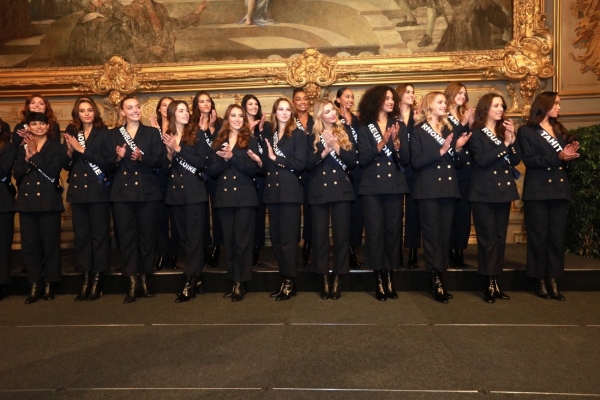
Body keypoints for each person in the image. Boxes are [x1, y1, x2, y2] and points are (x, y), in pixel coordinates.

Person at [517, 92, 579, 301]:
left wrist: (570, 156)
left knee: (556, 238)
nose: (559, 107)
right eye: (556, 103)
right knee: (539, 238)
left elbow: (566, 160)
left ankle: (553, 279)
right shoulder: (527, 131)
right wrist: (558, 156)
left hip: (559, 191)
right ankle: (539, 280)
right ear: (545, 105)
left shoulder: (560, 130)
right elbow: (530, 160)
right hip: (538, 191)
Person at [411, 92, 471, 303]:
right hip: (428, 190)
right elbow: (416, 162)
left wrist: (458, 149)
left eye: (445, 102)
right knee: (431, 236)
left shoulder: (449, 129)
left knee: (444, 236)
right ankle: (434, 278)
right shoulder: (418, 131)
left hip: (448, 188)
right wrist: (442, 150)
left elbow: (458, 163)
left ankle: (440, 275)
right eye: (440, 102)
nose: (444, 105)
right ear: (429, 105)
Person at [107, 95, 165, 304]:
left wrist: (143, 157)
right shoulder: (113, 135)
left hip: (147, 193)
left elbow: (159, 161)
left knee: (147, 238)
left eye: (137, 107)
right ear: (122, 112)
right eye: (129, 108)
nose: (134, 111)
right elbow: (106, 165)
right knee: (127, 239)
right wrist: (118, 158)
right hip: (122, 194)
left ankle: (145, 279)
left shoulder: (151, 133)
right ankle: (131, 281)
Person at [357, 85, 410, 301]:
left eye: (392, 98)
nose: (390, 101)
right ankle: (378, 278)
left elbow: (405, 159)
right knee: (375, 232)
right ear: (376, 101)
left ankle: (389, 276)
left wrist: (395, 142)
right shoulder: (364, 127)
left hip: (395, 186)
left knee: (393, 232)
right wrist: (382, 142)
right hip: (372, 187)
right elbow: (364, 159)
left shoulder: (400, 125)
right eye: (386, 98)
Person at [469, 93, 520, 303]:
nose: (500, 109)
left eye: (502, 106)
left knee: (499, 239)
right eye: (496, 105)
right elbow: (482, 160)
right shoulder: (476, 134)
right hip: (483, 193)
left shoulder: (502, 132)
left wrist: (512, 140)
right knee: (487, 239)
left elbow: (516, 160)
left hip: (503, 193)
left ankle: (496, 281)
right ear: (485, 109)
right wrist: (505, 145)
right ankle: (487, 282)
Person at [62, 97, 112, 301]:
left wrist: (82, 149)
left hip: (98, 190)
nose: (86, 114)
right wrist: (69, 150)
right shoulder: (72, 133)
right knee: (81, 237)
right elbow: (66, 165)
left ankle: (98, 279)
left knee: (99, 236)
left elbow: (107, 162)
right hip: (79, 192)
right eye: (82, 111)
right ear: (77, 114)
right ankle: (85, 277)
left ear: (95, 112)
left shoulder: (104, 133)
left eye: (90, 110)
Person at [209, 104, 261, 302]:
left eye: (240, 115)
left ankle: (242, 281)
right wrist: (224, 160)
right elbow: (212, 171)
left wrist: (232, 158)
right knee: (229, 242)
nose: (238, 119)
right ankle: (233, 278)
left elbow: (253, 169)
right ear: (227, 119)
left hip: (245, 197)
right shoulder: (218, 141)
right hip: (224, 198)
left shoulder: (251, 141)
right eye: (234, 115)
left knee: (242, 242)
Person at [306, 99, 357, 299]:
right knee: (320, 237)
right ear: (320, 115)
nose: (332, 114)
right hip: (319, 190)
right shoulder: (310, 135)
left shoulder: (346, 131)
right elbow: (307, 164)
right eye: (327, 111)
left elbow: (353, 161)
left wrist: (336, 146)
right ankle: (323, 277)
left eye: (333, 110)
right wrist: (324, 151)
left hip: (341, 190)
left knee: (341, 236)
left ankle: (338, 276)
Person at [162, 100, 211, 302]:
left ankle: (190, 280)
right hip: (175, 195)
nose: (185, 113)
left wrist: (179, 148)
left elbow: (202, 163)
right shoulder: (167, 137)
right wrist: (169, 153)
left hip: (194, 194)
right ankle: (196, 276)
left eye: (186, 110)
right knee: (184, 239)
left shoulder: (197, 134)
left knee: (194, 239)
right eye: (180, 111)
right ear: (172, 114)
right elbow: (164, 169)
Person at [13, 112, 64, 304]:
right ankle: (34, 284)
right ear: (28, 127)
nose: (38, 127)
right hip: (27, 204)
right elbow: (17, 174)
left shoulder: (56, 147)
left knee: (50, 245)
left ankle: (50, 283)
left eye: (42, 123)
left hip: (49, 202)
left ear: (48, 126)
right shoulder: (21, 147)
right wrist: (26, 160)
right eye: (34, 124)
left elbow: (52, 172)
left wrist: (34, 155)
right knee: (30, 247)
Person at [263, 97, 307, 301]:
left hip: (289, 192)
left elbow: (300, 164)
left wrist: (275, 158)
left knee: (289, 240)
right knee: (277, 239)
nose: (284, 112)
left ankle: (290, 280)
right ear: (274, 112)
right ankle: (284, 278)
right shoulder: (269, 135)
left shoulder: (297, 135)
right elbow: (266, 165)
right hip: (272, 192)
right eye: (280, 109)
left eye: (287, 109)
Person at [444, 82, 475, 269]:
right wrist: (463, 123)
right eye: (459, 93)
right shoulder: (444, 117)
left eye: (465, 93)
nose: (462, 96)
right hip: (451, 170)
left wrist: (471, 125)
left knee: (464, 214)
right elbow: (448, 141)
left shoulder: (466, 116)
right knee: (451, 215)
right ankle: (450, 251)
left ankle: (460, 250)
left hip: (466, 171)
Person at [191, 91, 224, 268]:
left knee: (217, 212)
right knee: (201, 214)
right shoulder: (190, 124)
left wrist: (210, 130)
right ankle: (204, 246)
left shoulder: (220, 124)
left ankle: (217, 247)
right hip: (197, 175)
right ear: (196, 105)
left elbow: (218, 148)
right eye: (201, 101)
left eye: (208, 101)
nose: (205, 104)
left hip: (216, 173)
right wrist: (202, 131)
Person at [335, 87, 364, 269]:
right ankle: (344, 251)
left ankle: (353, 249)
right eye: (347, 96)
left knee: (356, 215)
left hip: (358, 172)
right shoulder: (333, 119)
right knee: (342, 216)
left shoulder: (358, 121)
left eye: (353, 97)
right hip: (340, 172)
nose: (351, 100)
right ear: (338, 100)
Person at [151, 96, 180, 271]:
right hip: (158, 181)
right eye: (164, 105)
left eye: (170, 106)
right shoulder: (151, 130)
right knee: (160, 220)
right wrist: (156, 135)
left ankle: (175, 254)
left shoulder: (179, 128)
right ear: (159, 109)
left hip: (176, 179)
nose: (166, 108)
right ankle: (163, 253)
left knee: (176, 221)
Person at [241, 94, 270, 267]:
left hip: (261, 178)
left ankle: (256, 249)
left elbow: (267, 151)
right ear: (244, 107)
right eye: (250, 104)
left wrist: (258, 131)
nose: (253, 107)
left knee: (259, 217)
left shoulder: (265, 126)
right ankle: (246, 248)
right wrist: (249, 132)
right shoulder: (238, 125)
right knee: (246, 218)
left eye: (256, 104)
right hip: (244, 180)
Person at [396, 83, 421, 269]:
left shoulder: (418, 115)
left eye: (413, 92)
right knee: (395, 212)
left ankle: (412, 251)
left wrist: (419, 122)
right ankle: (395, 250)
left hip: (414, 169)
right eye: (407, 91)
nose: (411, 94)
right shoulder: (391, 116)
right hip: (395, 169)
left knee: (414, 212)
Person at [292, 88, 315, 268]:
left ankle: (308, 247)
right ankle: (292, 248)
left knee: (310, 214)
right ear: (294, 102)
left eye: (305, 99)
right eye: (298, 99)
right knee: (292, 214)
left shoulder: (316, 121)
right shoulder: (289, 122)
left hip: (311, 174)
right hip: (293, 173)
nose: (302, 102)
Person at [0, 118, 16, 300]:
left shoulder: (8, 147)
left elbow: (3, 171)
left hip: (3, 202)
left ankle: (2, 282)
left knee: (2, 246)